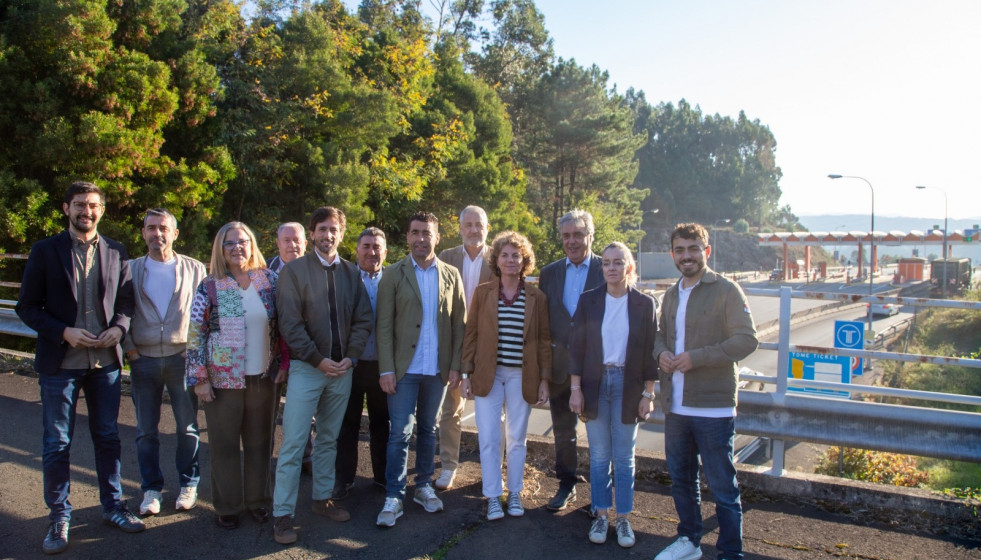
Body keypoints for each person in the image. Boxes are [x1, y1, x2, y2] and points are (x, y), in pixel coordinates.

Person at [16, 181, 143, 555]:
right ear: (66, 208)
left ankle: (113, 506)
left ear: (102, 210)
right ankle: (58, 516)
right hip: (60, 363)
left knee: (108, 437)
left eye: (93, 205)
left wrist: (119, 329)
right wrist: (64, 332)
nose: (86, 211)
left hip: (104, 363)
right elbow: (27, 307)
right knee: (57, 443)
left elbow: (126, 304)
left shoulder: (117, 251)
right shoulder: (44, 251)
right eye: (79, 205)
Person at [652, 223, 758, 560]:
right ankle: (690, 541)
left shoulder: (727, 290)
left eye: (693, 249)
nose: (687, 256)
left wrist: (696, 358)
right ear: (673, 255)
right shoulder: (671, 294)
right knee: (682, 481)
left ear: (706, 252)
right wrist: (661, 353)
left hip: (713, 408)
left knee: (723, 488)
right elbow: (660, 335)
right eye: (680, 250)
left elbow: (746, 340)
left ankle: (730, 551)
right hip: (676, 406)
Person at [271, 207, 373, 545]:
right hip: (307, 369)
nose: (328, 235)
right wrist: (318, 360)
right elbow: (290, 324)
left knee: (328, 438)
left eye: (334, 229)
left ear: (341, 234)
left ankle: (321, 499)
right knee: (295, 442)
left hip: (342, 370)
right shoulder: (294, 272)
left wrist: (351, 357)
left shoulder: (350, 273)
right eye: (322, 229)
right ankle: (283, 515)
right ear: (312, 233)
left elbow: (362, 319)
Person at [186, 222, 289, 530]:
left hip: (263, 379)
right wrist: (199, 378)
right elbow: (195, 335)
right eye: (229, 243)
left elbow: (283, 327)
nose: (236, 248)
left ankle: (258, 501)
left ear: (252, 245)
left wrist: (283, 364)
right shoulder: (213, 285)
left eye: (242, 242)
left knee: (260, 443)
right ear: (220, 248)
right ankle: (228, 505)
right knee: (225, 445)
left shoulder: (267, 280)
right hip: (224, 381)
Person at [375, 212, 466, 527]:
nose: (420, 238)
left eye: (426, 233)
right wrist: (386, 369)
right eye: (415, 232)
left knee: (429, 430)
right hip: (403, 370)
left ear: (437, 237)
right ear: (407, 236)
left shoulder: (452, 274)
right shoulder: (393, 274)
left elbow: (459, 325)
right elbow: (383, 327)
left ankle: (423, 486)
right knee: (400, 433)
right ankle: (394, 495)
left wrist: (455, 367)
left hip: (437, 372)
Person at [568, 242, 658, 548]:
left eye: (618, 262)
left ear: (629, 267)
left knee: (624, 457)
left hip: (628, 385)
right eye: (606, 263)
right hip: (594, 384)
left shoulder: (645, 305)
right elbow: (576, 348)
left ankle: (623, 520)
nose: (611, 268)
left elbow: (649, 354)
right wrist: (575, 389)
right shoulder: (589, 301)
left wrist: (649, 394)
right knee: (599, 456)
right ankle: (602, 515)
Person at [460, 231, 550, 520]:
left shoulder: (537, 297)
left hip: (522, 377)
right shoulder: (483, 292)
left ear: (524, 260)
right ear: (496, 259)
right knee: (488, 437)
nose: (511, 260)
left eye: (516, 255)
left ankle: (514, 494)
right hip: (489, 374)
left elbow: (545, 340)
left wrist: (544, 380)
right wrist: (465, 374)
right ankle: (493, 496)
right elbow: (471, 334)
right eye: (505, 255)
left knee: (516, 438)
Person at [123, 208, 207, 516]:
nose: (157, 233)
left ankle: (188, 483)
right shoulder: (130, 268)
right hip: (142, 359)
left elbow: (206, 316)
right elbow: (121, 313)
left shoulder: (195, 269)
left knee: (187, 428)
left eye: (163, 228)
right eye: (151, 228)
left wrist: (196, 354)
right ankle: (151, 489)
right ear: (143, 232)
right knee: (146, 430)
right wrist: (131, 351)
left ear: (174, 233)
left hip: (181, 358)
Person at [537, 209, 604, 510]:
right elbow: (542, 320)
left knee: (601, 434)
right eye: (567, 236)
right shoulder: (550, 273)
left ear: (591, 236)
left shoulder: (608, 268)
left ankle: (601, 497)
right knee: (564, 432)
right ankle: (567, 484)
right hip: (560, 367)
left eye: (578, 234)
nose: (572, 241)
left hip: (597, 368)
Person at [434, 205, 492, 490]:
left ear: (487, 227)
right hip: (455, 343)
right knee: (451, 409)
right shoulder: (446, 258)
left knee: (490, 412)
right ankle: (448, 465)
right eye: (468, 225)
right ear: (459, 228)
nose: (473, 230)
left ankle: (492, 470)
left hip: (488, 346)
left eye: (478, 224)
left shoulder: (499, 258)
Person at [333, 227, 390, 499]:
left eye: (377, 247)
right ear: (356, 250)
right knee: (347, 424)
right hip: (350, 364)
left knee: (382, 423)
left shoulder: (393, 280)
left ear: (385, 252)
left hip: (382, 365)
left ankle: (382, 478)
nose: (372, 251)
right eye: (366, 246)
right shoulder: (343, 277)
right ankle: (344, 479)